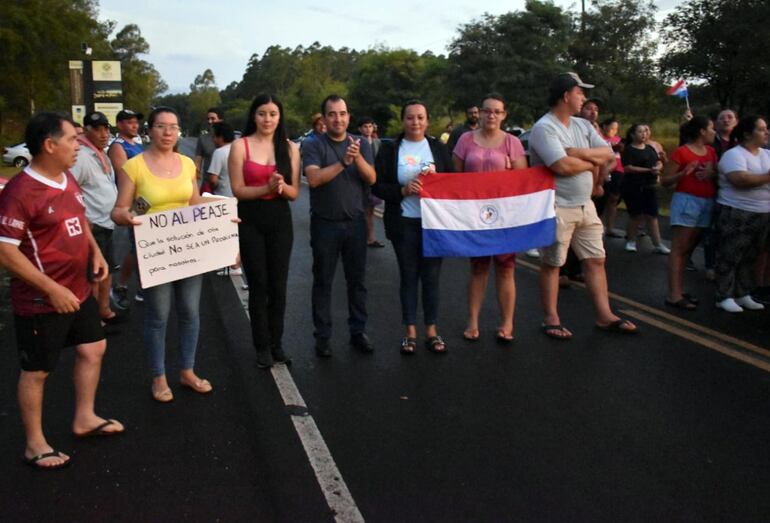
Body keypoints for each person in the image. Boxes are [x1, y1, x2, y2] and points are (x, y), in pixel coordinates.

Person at [0, 112, 124, 470]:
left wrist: (96, 251)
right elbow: (6, 251)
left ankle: (84, 417)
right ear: (49, 145)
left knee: (94, 347)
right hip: (42, 298)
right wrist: (50, 288)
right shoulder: (19, 193)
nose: (78, 145)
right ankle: (34, 445)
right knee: (37, 370)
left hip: (78, 287)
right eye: (72, 139)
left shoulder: (66, 177)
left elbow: (79, 218)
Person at [111, 106, 212, 402]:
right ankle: (159, 376)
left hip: (189, 249)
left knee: (191, 312)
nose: (168, 132)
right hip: (155, 252)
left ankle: (187, 370)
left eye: (173, 127)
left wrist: (222, 221)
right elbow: (119, 209)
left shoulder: (186, 164)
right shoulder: (136, 166)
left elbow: (195, 203)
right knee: (158, 315)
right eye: (161, 126)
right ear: (150, 130)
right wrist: (125, 217)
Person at [529, 72, 637, 339]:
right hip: (556, 206)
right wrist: (594, 161)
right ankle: (551, 318)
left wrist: (579, 153)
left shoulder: (583, 126)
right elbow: (561, 166)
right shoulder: (545, 128)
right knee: (553, 263)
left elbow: (610, 154)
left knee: (596, 259)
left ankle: (605, 315)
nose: (584, 98)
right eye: (580, 92)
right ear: (566, 95)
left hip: (585, 204)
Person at [372, 100, 453, 354]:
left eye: (420, 117)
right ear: (403, 120)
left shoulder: (438, 148)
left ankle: (431, 330)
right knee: (409, 276)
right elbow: (377, 186)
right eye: (410, 118)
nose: (415, 122)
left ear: (427, 121)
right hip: (403, 222)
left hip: (434, 225)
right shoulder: (390, 149)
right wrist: (403, 190)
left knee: (431, 278)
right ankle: (410, 332)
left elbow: (452, 183)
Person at [228, 94, 300, 368]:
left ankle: (276, 343)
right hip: (251, 219)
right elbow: (238, 191)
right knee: (259, 284)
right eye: (262, 113)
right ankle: (261, 346)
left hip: (280, 219)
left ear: (279, 117)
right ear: (253, 116)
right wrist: (266, 189)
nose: (267, 119)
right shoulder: (240, 146)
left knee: (278, 286)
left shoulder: (290, 148)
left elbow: (294, 193)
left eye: (272, 114)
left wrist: (280, 188)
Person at [302, 94, 376, 357]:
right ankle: (323, 337)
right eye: (332, 114)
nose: (338, 119)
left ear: (349, 116)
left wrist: (355, 158)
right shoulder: (313, 145)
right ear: (324, 118)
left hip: (355, 223)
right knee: (323, 281)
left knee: (357, 282)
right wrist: (342, 162)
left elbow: (371, 178)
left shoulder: (360, 144)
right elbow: (313, 179)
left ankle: (358, 331)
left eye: (343, 113)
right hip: (325, 224)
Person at [453, 93, 527, 343]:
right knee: (478, 267)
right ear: (480, 113)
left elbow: (522, 181)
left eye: (497, 111)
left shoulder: (512, 143)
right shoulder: (465, 140)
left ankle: (507, 322)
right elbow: (456, 177)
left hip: (504, 216)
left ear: (504, 115)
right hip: (475, 216)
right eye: (487, 111)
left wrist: (507, 172)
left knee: (506, 268)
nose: (491, 115)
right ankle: (473, 321)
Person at [713, 115, 770, 312]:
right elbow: (740, 179)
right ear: (747, 134)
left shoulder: (765, 154)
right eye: (761, 129)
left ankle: (743, 292)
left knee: (751, 255)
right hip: (736, 211)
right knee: (730, 254)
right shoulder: (734, 155)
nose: (766, 133)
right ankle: (724, 295)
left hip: (762, 211)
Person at [662, 116, 718, 310]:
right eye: (711, 128)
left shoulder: (711, 152)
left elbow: (716, 174)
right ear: (702, 131)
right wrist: (682, 173)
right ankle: (673, 294)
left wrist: (712, 173)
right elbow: (665, 180)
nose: (714, 131)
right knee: (679, 248)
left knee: (689, 248)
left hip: (706, 201)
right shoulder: (682, 152)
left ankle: (680, 289)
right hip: (687, 200)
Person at [70, 111, 119, 323]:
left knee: (107, 270)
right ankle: (92, 322)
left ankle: (104, 311)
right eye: (97, 129)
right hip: (93, 224)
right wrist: (82, 218)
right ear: (87, 130)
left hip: (107, 222)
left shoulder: (101, 153)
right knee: (95, 275)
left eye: (106, 128)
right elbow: (71, 189)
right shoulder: (81, 156)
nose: (103, 133)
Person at [109, 109, 145, 309]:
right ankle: (123, 284)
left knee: (144, 242)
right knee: (138, 244)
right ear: (120, 124)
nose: (134, 125)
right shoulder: (118, 146)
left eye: (135, 122)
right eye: (130, 122)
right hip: (133, 201)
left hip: (146, 199)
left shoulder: (138, 145)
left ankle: (138, 285)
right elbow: (125, 175)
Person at [620, 123, 670, 254]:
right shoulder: (629, 150)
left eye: (645, 131)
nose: (644, 134)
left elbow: (658, 161)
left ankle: (658, 243)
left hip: (650, 185)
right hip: (633, 186)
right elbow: (628, 168)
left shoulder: (650, 148)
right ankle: (631, 240)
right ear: (632, 135)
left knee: (652, 215)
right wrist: (648, 170)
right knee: (635, 214)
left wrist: (658, 167)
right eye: (640, 132)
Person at [359, 116, 385, 248]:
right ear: (360, 128)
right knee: (363, 211)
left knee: (370, 211)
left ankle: (370, 237)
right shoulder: (357, 142)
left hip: (374, 181)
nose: (368, 129)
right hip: (361, 182)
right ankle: (365, 237)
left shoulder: (377, 142)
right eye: (365, 126)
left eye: (370, 126)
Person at [598, 118, 624, 236]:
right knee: (601, 198)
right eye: (612, 128)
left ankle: (610, 227)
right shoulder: (599, 138)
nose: (614, 131)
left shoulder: (618, 140)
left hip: (618, 170)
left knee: (614, 198)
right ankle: (598, 224)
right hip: (603, 170)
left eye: (616, 129)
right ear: (604, 127)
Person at [194, 107, 224, 185]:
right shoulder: (203, 138)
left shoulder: (228, 138)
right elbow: (198, 159)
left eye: (213, 118)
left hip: (225, 182)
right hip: (208, 182)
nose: (210, 121)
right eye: (208, 119)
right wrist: (197, 172)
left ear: (220, 120)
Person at [207, 122, 235, 197]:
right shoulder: (240, 150)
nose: (213, 140)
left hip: (222, 197)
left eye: (214, 136)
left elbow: (213, 180)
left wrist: (213, 187)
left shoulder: (219, 152)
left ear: (221, 137)